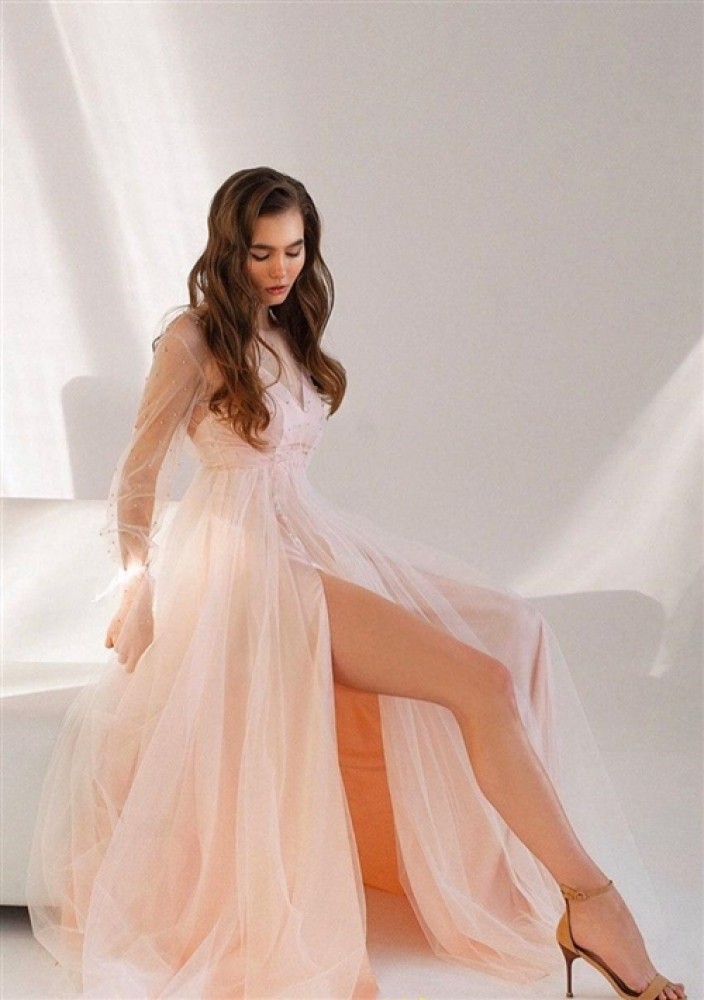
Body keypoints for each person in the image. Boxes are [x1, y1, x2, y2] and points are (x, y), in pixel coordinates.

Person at [26, 167, 686, 1000]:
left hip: (309, 538)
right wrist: (137, 582)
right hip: (247, 569)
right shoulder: (191, 340)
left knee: (516, 630)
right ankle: (591, 904)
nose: (280, 269)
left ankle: (493, 874)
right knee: (480, 682)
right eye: (261, 252)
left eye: (294, 250)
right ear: (227, 249)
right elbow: (137, 472)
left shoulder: (286, 329)